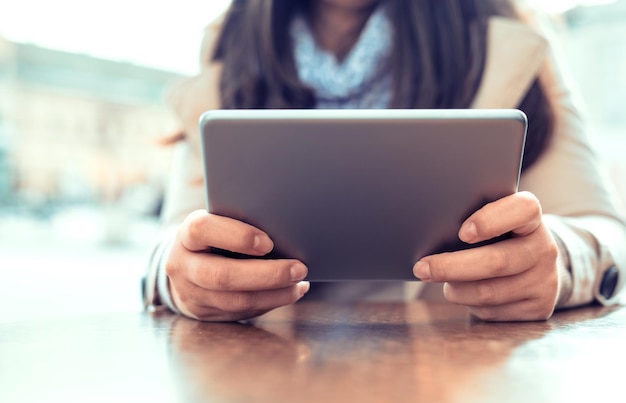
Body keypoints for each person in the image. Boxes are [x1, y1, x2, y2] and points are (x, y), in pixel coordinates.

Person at [143, 0, 626, 322]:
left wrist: (557, 262)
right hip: (263, 374)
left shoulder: (510, 42)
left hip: (456, 375)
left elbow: (609, 236)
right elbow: (175, 238)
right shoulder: (228, 46)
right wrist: (184, 277)